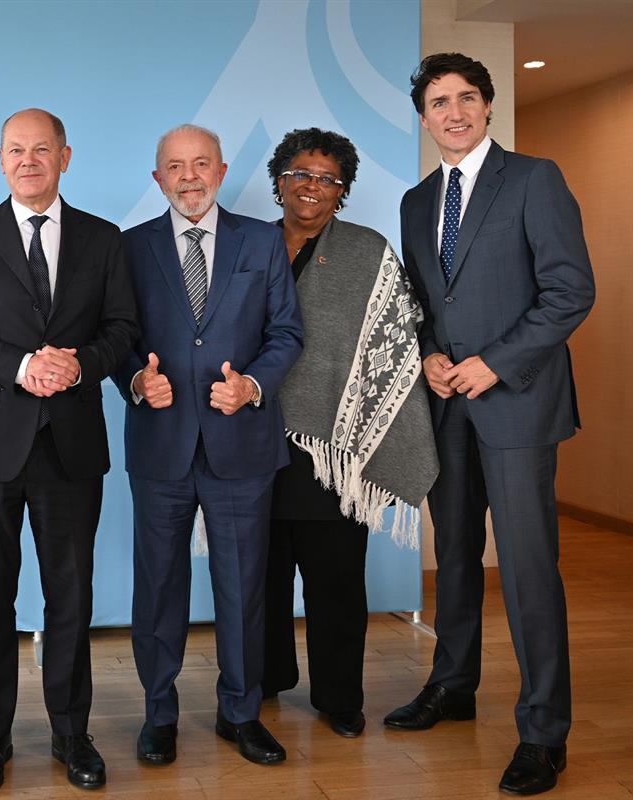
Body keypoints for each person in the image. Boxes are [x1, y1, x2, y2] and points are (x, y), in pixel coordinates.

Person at [384, 53, 595, 796]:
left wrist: (494, 364)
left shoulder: (535, 179)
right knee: (457, 559)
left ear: (487, 106)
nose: (454, 112)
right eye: (439, 101)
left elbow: (571, 291)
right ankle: (454, 685)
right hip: (446, 406)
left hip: (517, 403)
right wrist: (432, 356)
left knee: (530, 567)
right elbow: (416, 302)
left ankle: (544, 732)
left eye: (466, 98)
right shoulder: (415, 202)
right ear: (425, 117)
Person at [0, 108, 138, 792]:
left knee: (69, 599)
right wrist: (22, 367)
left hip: (71, 447)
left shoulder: (104, 240)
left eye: (40, 150)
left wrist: (78, 367)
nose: (28, 161)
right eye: (15, 150)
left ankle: (71, 735)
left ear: (65, 157)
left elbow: (121, 328)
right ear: (0, 160)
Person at [113, 124, 303, 767]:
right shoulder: (129, 248)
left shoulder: (262, 241)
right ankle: (158, 713)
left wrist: (251, 385)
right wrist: (136, 378)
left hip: (241, 446)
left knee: (243, 586)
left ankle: (240, 713)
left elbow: (286, 333)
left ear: (221, 172)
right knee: (159, 585)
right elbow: (116, 334)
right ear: (158, 178)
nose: (189, 177)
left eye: (200, 164)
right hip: (161, 445)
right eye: (175, 166)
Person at [260, 128, 438, 738]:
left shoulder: (368, 251)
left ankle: (339, 696)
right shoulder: (247, 245)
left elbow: (397, 341)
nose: (313, 187)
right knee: (259, 572)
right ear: (278, 180)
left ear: (344, 191)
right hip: (251, 438)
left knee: (335, 580)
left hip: (335, 450)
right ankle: (264, 678)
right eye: (300, 174)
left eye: (328, 179)